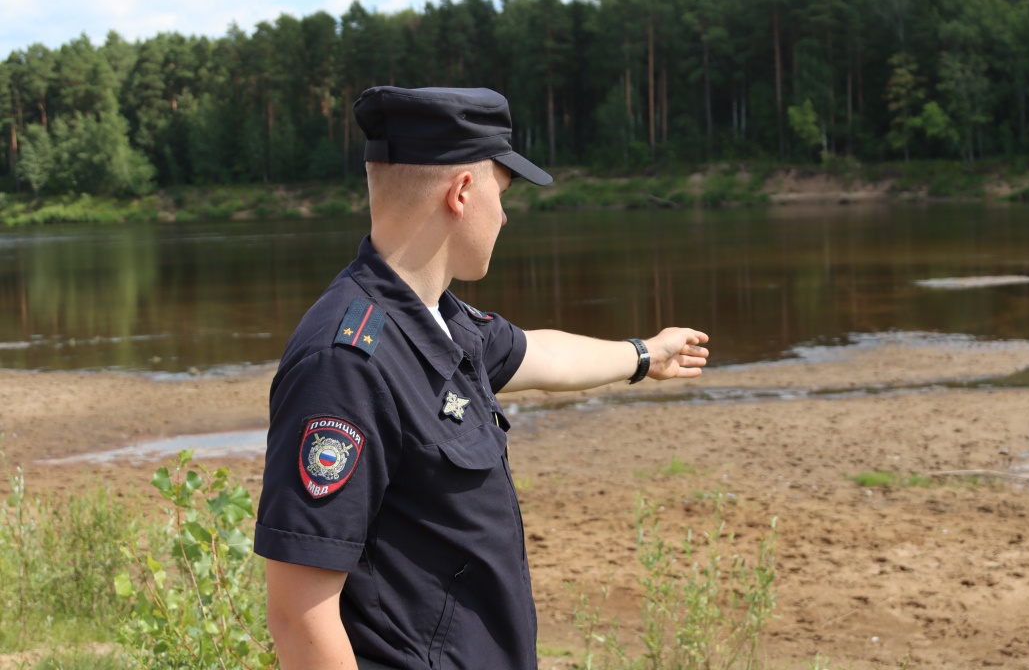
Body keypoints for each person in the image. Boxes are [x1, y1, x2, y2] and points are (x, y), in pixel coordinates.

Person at [253, 86, 710, 670]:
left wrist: (646, 355)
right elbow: (298, 616)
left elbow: (543, 357)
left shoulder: (439, 318)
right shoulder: (345, 363)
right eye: (504, 193)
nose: (506, 215)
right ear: (463, 192)